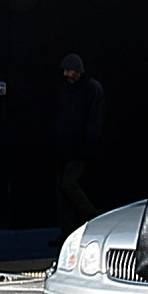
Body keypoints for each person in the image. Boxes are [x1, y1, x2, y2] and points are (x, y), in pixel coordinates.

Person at [50, 52, 110, 220]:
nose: (66, 74)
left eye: (69, 70)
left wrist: (90, 146)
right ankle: (68, 228)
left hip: (78, 147)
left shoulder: (91, 89)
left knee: (67, 184)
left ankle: (93, 214)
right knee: (61, 190)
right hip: (64, 146)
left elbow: (95, 119)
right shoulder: (66, 90)